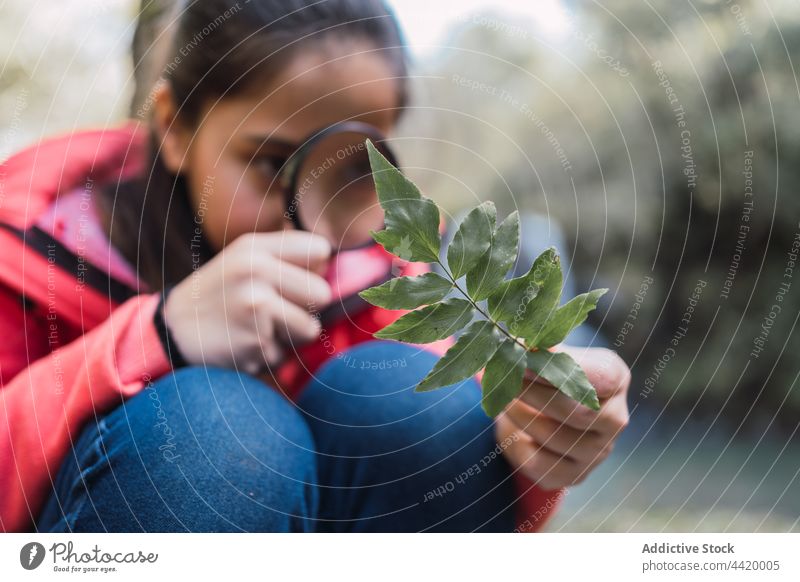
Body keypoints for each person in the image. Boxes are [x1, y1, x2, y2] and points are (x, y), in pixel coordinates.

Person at [0, 0, 630, 533]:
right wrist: (154, 337)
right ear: (175, 125)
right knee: (216, 423)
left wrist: (537, 446)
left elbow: (468, 487)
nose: (313, 212)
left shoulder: (397, 276)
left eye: (352, 170)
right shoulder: (29, 251)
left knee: (415, 401)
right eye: (273, 163)